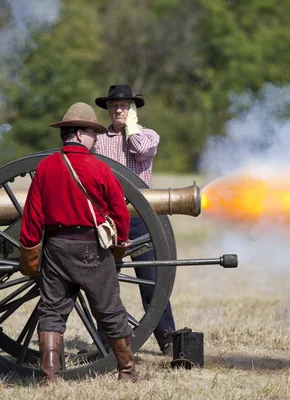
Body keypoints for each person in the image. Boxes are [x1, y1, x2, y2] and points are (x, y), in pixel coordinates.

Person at [19, 102, 137, 384]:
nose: (96, 139)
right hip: (91, 248)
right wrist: (120, 242)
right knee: (109, 309)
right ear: (81, 134)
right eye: (93, 133)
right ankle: (127, 371)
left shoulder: (45, 167)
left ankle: (50, 376)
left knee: (51, 311)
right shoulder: (98, 167)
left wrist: (31, 252)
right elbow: (119, 210)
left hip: (56, 247)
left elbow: (32, 215)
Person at [94, 84, 176, 356]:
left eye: (125, 105)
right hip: (107, 217)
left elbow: (141, 151)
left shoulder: (149, 136)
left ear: (133, 110)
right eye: (114, 105)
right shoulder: (97, 140)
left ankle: (168, 341)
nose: (119, 109)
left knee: (151, 279)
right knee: (103, 282)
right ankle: (107, 343)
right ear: (107, 109)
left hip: (138, 217)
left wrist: (131, 127)